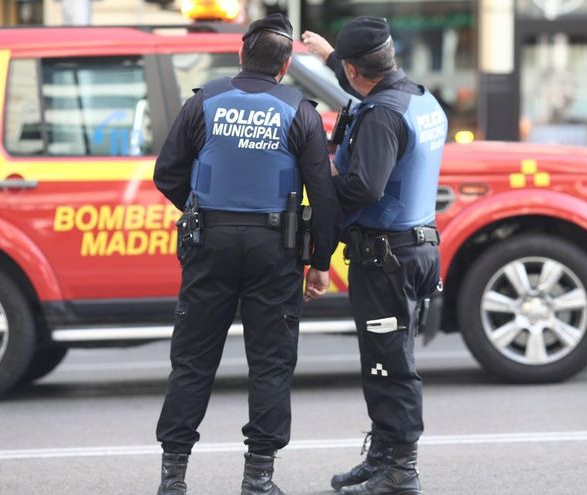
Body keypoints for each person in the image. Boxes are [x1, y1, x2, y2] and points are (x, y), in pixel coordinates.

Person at [153, 13, 341, 495]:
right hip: (274, 250)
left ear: (240, 54)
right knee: (271, 361)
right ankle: (258, 478)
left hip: (208, 244)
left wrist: (201, 211)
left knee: (192, 360)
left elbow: (167, 173)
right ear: (284, 67)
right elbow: (322, 194)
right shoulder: (300, 111)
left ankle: (173, 480)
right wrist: (320, 262)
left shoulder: (205, 102)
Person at [303, 16, 447, 495]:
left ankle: (400, 470)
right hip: (412, 250)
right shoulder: (419, 100)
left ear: (354, 69)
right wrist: (327, 57)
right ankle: (385, 455)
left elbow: (364, 186)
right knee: (384, 361)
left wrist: (319, 187)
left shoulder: (381, 116)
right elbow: (363, 91)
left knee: (390, 366)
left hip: (386, 259)